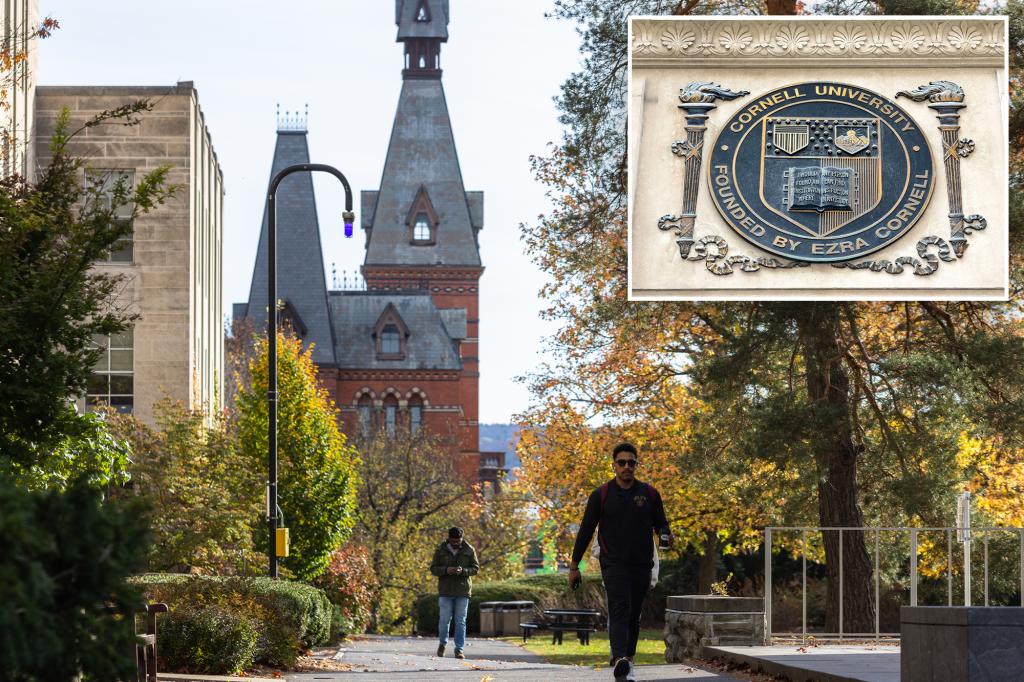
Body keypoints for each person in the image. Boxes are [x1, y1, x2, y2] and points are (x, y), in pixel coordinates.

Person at [569, 443, 672, 682]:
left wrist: (667, 534)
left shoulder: (650, 494)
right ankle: (619, 659)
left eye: (631, 462)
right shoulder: (601, 495)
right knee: (619, 608)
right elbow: (585, 531)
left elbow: (661, 524)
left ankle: (629, 659)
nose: (627, 467)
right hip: (613, 563)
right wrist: (574, 566)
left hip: (641, 564)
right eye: (622, 462)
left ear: (637, 465)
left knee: (634, 614)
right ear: (614, 465)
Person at [429, 526, 479, 659]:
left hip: (462, 591)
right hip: (445, 590)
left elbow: (475, 568)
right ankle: (442, 643)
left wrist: (463, 571)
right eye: (454, 541)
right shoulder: (440, 550)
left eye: (458, 541)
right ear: (449, 539)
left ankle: (459, 649)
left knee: (460, 621)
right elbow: (433, 568)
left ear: (462, 538)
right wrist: (446, 570)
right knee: (444, 619)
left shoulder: (469, 550)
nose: (456, 544)